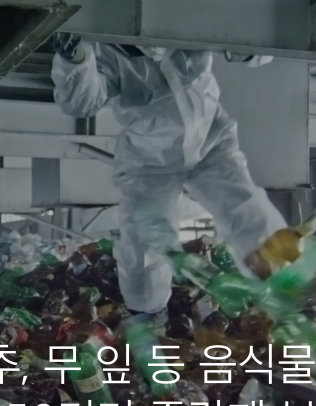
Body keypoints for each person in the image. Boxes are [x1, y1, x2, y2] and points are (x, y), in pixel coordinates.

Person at [49, 35, 287, 326]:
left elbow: (255, 45)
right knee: (144, 239)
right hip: (150, 159)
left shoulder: (183, 23)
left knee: (247, 209)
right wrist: (74, 60)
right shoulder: (109, 47)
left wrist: (245, 47)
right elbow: (82, 102)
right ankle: (148, 314)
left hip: (210, 142)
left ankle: (286, 287)